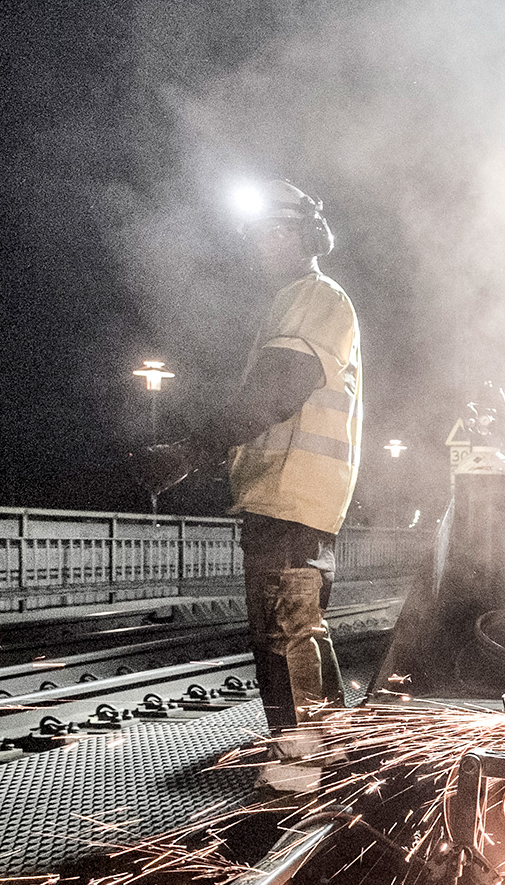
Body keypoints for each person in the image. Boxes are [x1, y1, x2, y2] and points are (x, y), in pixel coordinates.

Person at [134, 180, 363, 792]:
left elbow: (281, 386)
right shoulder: (298, 302)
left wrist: (191, 450)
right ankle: (336, 751)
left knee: (284, 630)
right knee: (300, 627)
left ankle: (302, 766)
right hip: (288, 495)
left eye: (266, 233)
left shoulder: (315, 297)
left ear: (295, 234)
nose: (258, 247)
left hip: (294, 494)